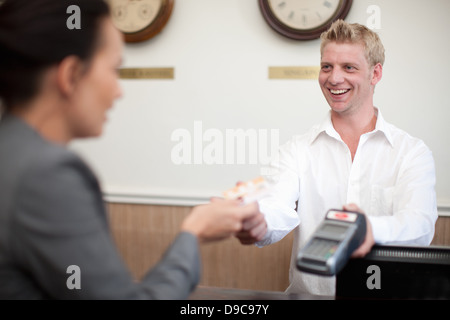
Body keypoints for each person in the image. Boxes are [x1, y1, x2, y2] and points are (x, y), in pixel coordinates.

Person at [0, 0, 262, 299]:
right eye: (115, 70)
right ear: (71, 74)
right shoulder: (46, 175)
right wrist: (193, 233)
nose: (119, 90)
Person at [235, 20, 437, 296]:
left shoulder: (411, 152)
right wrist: (257, 222)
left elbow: (420, 226)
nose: (334, 78)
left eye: (349, 67)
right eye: (326, 66)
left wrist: (367, 229)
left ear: (375, 74)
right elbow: (276, 206)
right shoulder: (297, 149)